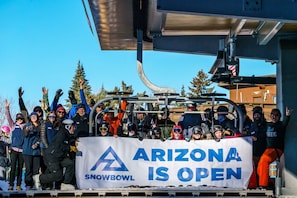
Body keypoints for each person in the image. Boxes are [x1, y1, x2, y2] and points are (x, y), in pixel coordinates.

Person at [257, 107, 292, 190]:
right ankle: (269, 182)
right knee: (260, 167)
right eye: (272, 115)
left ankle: (263, 185)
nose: (274, 117)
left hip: (276, 149)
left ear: (279, 117)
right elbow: (261, 122)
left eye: (276, 115)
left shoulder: (280, 125)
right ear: (270, 115)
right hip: (268, 149)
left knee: (264, 160)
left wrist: (287, 116)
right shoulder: (267, 125)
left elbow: (285, 123)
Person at [39, 119, 77, 191]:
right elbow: (58, 146)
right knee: (58, 176)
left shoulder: (67, 135)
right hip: (52, 157)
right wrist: (69, 148)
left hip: (59, 157)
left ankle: (65, 183)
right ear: (68, 127)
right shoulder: (62, 134)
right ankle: (39, 178)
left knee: (70, 164)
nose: (74, 129)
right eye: (73, 127)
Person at [4, 99, 26, 191]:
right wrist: (7, 107)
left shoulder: (24, 126)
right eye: (18, 119)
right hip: (14, 149)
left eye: (21, 119)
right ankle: (11, 184)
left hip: (21, 150)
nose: (19, 120)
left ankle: (18, 185)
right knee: (13, 167)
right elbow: (8, 117)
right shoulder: (13, 126)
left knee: (20, 168)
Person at [22, 112, 42, 190]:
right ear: (30, 117)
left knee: (36, 168)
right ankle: (28, 184)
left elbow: (42, 137)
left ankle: (35, 183)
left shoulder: (40, 126)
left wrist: (37, 143)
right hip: (27, 151)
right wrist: (28, 129)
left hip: (36, 151)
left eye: (35, 116)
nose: (34, 117)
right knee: (28, 168)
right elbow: (24, 134)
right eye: (32, 116)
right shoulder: (27, 125)